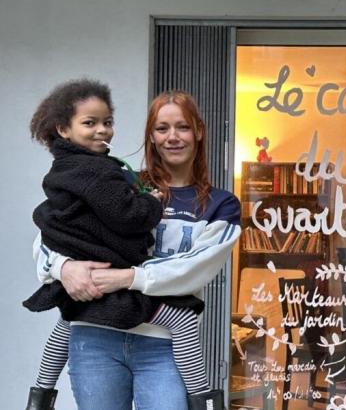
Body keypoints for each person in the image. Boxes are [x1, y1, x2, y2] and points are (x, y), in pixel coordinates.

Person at [30, 87, 241, 410]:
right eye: (162, 128)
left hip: (163, 344)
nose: (173, 137)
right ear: (151, 136)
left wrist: (126, 278)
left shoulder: (220, 205)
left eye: (183, 126)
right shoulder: (118, 182)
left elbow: (194, 270)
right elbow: (52, 234)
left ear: (198, 131)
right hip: (95, 336)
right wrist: (64, 268)